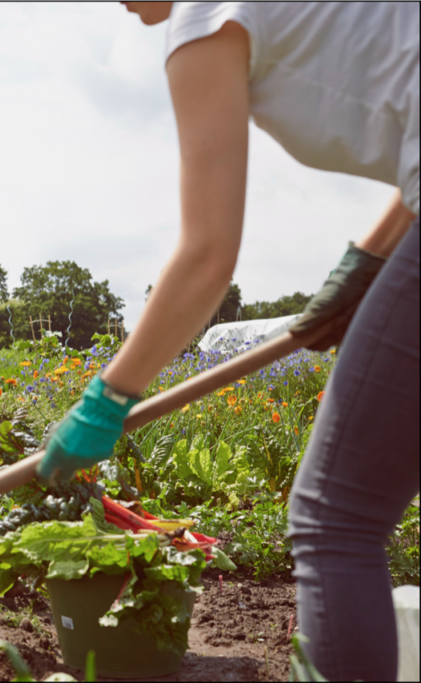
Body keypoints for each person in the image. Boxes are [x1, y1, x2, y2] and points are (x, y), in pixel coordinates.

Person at [37, 3, 418, 680]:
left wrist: (108, 395)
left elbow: (208, 255)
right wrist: (366, 259)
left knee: (337, 518)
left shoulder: (201, 17)